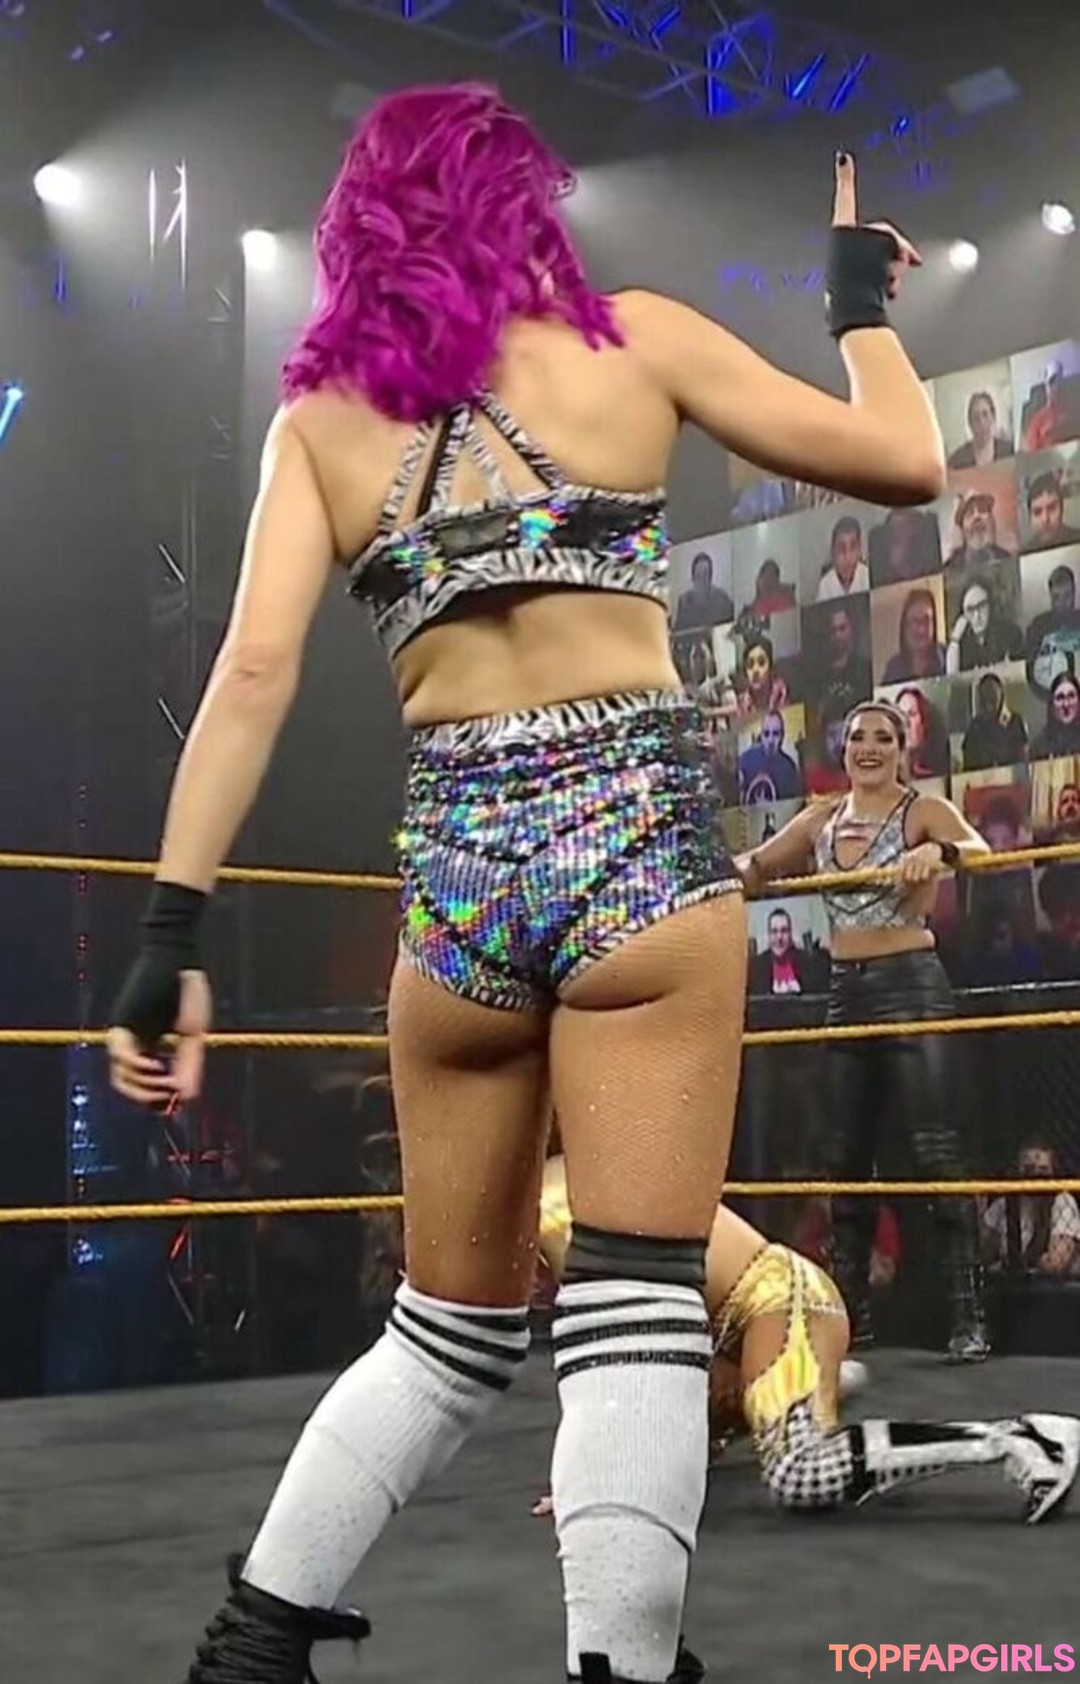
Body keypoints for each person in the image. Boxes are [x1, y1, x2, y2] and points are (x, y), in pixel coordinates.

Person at [105, 97, 943, 1684]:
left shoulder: (323, 424)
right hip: (639, 863)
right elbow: (906, 461)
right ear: (524, 205)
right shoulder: (634, 342)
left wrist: (170, 933)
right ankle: (620, 1669)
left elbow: (252, 673)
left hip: (460, 891)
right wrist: (857, 310)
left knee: (446, 1326)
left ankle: (251, 1643)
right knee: (637, 1305)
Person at [535, 1156, 1080, 1522]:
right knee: (673, 1436)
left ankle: (1025, 1440)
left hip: (781, 1302)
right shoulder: (568, 1179)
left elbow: (624, 1354)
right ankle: (812, 1390)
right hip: (735, 1325)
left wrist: (597, 1476)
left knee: (800, 1475)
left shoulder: (554, 1211)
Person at [736, 701, 992, 1362]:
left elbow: (981, 850)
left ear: (903, 749)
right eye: (858, 737)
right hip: (846, 990)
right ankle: (851, 1316)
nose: (870, 747)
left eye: (883, 737)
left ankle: (968, 1315)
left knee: (936, 1152)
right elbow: (756, 865)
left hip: (911, 983)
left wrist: (936, 852)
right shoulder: (820, 817)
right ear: (843, 748)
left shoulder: (921, 810)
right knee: (844, 1157)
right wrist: (702, 880)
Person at [983, 1141, 1080, 1278]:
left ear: (1053, 1171)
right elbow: (985, 1256)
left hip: (1051, 1287)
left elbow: (1056, 1264)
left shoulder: (1062, 1202)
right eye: (1029, 1169)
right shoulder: (1004, 1204)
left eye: (1043, 1169)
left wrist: (1011, 1262)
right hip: (1009, 1283)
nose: (1036, 1174)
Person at [944, 578, 1023, 674]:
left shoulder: (1011, 633)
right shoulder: (960, 643)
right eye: (970, 609)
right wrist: (955, 640)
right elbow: (953, 678)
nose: (977, 616)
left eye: (981, 606)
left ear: (991, 606)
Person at [1025, 564, 1080, 700]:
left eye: (1067, 596)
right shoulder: (1038, 627)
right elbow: (1030, 673)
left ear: (1074, 594)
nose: (1062, 603)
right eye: (1057, 597)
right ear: (1050, 597)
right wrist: (1051, 699)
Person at [960, 674, 1029, 770]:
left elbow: (1023, 763)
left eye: (992, 694)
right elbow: (968, 765)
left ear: (1001, 694)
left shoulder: (1016, 722)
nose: (988, 700)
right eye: (983, 696)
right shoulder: (975, 727)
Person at [881, 588, 946, 683]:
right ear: (905, 626)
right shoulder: (893, 669)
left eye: (926, 620)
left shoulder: (948, 656)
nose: (921, 630)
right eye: (914, 621)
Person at [738, 710, 803, 804]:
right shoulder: (746, 760)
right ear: (761, 735)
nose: (770, 740)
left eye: (775, 734)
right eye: (766, 733)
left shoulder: (789, 767)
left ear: (782, 736)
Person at [749, 905, 814, 995]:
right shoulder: (756, 968)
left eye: (784, 931)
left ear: (790, 934)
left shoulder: (807, 963)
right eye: (774, 931)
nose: (779, 937)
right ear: (769, 935)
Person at [947, 390, 1014, 471]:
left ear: (993, 418)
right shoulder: (957, 460)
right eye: (976, 417)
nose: (981, 422)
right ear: (970, 424)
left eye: (985, 414)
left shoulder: (1010, 452)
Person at [893, 686, 950, 779]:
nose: (905, 721)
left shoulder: (939, 772)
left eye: (912, 714)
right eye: (901, 715)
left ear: (924, 721)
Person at [672, 550, 735, 632]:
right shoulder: (684, 601)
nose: (702, 578)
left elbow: (729, 629)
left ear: (710, 577)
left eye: (705, 574)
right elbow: (678, 632)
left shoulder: (722, 598)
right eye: (698, 574)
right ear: (693, 577)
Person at [735, 629, 790, 717]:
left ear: (771, 668)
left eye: (761, 663)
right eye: (750, 665)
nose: (755, 670)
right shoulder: (742, 704)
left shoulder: (782, 694)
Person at [1023, 470, 1080, 552]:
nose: (1045, 519)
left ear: (1062, 510)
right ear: (1030, 518)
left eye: (1052, 508)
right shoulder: (1025, 551)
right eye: (1037, 512)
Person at [1031, 667, 1080, 760]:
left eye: (1071, 696)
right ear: (1052, 705)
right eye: (1060, 698)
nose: (1066, 704)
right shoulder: (1039, 746)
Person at [817, 515, 869, 600]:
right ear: (833, 552)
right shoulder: (825, 584)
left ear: (859, 550)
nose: (848, 557)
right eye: (841, 548)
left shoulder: (867, 577)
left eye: (853, 547)